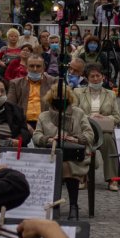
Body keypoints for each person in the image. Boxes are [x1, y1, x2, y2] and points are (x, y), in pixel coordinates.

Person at [32, 85, 95, 219]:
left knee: (66, 166)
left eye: (63, 98)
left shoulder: (78, 113)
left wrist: (76, 138)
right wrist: (49, 139)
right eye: (57, 98)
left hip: (74, 156)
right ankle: (58, 204)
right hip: (51, 155)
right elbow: (36, 136)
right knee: (59, 165)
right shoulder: (44, 116)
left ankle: (73, 205)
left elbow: (90, 134)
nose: (60, 100)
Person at [76, 64, 120, 190]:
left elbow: (117, 117)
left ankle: (112, 179)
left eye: (98, 76)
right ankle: (82, 176)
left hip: (103, 130)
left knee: (108, 140)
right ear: (87, 78)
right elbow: (74, 113)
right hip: (84, 129)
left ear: (103, 77)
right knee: (83, 141)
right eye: (92, 76)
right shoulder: (78, 92)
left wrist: (104, 118)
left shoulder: (111, 94)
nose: (95, 79)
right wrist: (88, 118)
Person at [9, 54, 55, 129]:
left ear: (43, 68)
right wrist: (23, 125)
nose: (35, 69)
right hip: (23, 123)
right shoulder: (15, 83)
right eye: (31, 66)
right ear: (26, 67)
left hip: (47, 124)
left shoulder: (53, 82)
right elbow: (10, 106)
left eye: (38, 66)